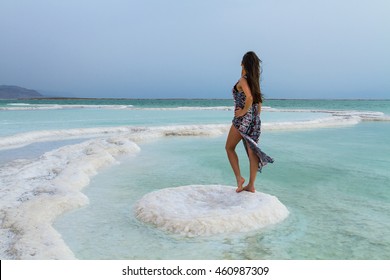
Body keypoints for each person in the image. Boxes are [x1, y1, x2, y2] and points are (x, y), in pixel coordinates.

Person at [225, 51, 274, 193]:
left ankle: (240, 179)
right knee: (252, 152)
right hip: (255, 121)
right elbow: (258, 104)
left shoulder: (243, 80)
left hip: (242, 121)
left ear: (243, 63)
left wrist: (242, 112)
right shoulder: (254, 82)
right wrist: (254, 118)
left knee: (229, 148)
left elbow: (250, 98)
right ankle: (251, 185)